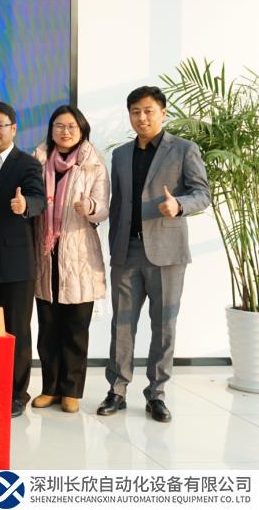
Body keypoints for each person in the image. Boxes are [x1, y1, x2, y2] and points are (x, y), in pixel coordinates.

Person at [98, 86, 211, 423]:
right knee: (121, 325)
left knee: (164, 326)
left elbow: (202, 194)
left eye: (148, 111)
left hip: (167, 252)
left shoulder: (184, 149)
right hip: (127, 251)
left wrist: (179, 205)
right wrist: (115, 246)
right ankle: (117, 390)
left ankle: (157, 393)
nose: (142, 118)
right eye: (135, 112)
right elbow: (118, 205)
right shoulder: (121, 155)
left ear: (163, 112)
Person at [31, 105, 108, 414]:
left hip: (79, 256)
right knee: (48, 327)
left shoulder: (93, 164)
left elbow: (103, 207)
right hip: (45, 253)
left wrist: (89, 207)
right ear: (51, 130)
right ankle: (49, 388)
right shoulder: (38, 160)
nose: (65, 131)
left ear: (82, 130)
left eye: (71, 127)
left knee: (76, 328)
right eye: (59, 126)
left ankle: (71, 390)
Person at [0, 102, 46, 418]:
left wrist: (25, 205)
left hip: (14, 261)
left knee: (16, 330)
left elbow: (39, 199)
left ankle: (17, 393)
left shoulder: (27, 164)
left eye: (0, 125)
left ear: (13, 128)